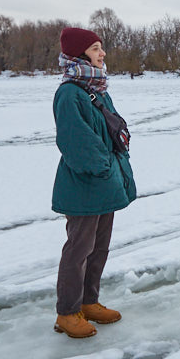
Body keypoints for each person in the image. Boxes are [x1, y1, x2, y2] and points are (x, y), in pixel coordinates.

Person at [51, 27, 137, 338]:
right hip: (84, 185)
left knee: (99, 248)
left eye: (101, 48)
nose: (103, 54)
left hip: (105, 182)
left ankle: (89, 302)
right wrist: (103, 168)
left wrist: (114, 169)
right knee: (79, 250)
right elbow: (76, 142)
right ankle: (67, 312)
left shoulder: (99, 89)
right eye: (96, 48)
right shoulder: (69, 93)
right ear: (79, 54)